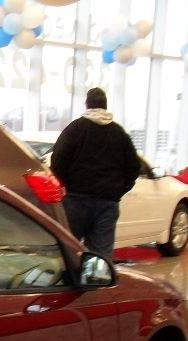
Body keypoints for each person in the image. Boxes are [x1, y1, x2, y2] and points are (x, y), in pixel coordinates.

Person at [50, 88, 140, 260]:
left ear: (87, 104)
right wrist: (119, 190)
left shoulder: (75, 129)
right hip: (107, 203)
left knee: (69, 252)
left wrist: (66, 184)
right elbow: (134, 167)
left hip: (75, 200)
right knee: (101, 257)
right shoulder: (119, 134)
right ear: (105, 106)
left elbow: (57, 161)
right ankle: (98, 284)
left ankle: (72, 284)